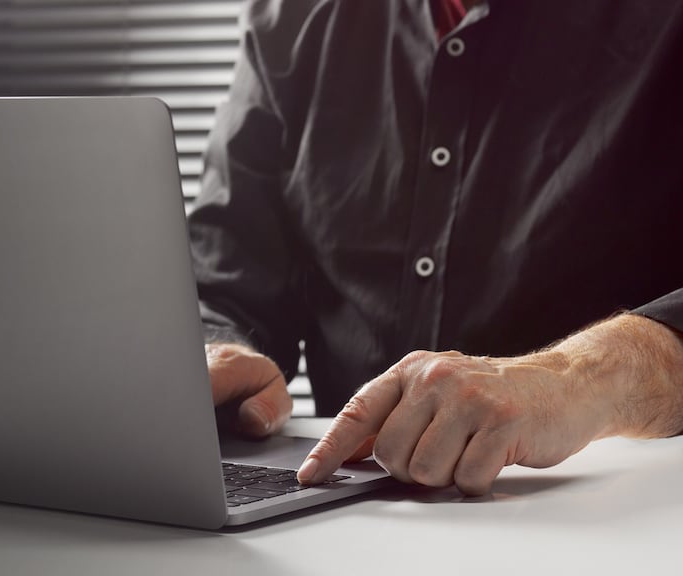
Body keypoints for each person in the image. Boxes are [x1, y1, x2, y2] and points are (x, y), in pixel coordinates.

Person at [188, 0, 683, 496]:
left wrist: (576, 379)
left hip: (606, 510)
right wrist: (218, 352)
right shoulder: (290, 18)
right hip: (339, 507)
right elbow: (225, 278)